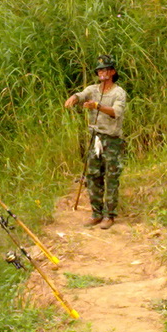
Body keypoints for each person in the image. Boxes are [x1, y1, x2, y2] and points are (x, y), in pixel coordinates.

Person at [64, 55, 127, 229]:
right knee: (92, 176)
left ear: (112, 72)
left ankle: (109, 215)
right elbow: (82, 94)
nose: (102, 73)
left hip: (112, 140)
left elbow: (116, 112)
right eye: (99, 70)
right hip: (96, 138)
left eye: (105, 69)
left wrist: (97, 106)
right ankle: (96, 213)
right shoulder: (93, 89)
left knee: (111, 177)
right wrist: (74, 98)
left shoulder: (118, 92)